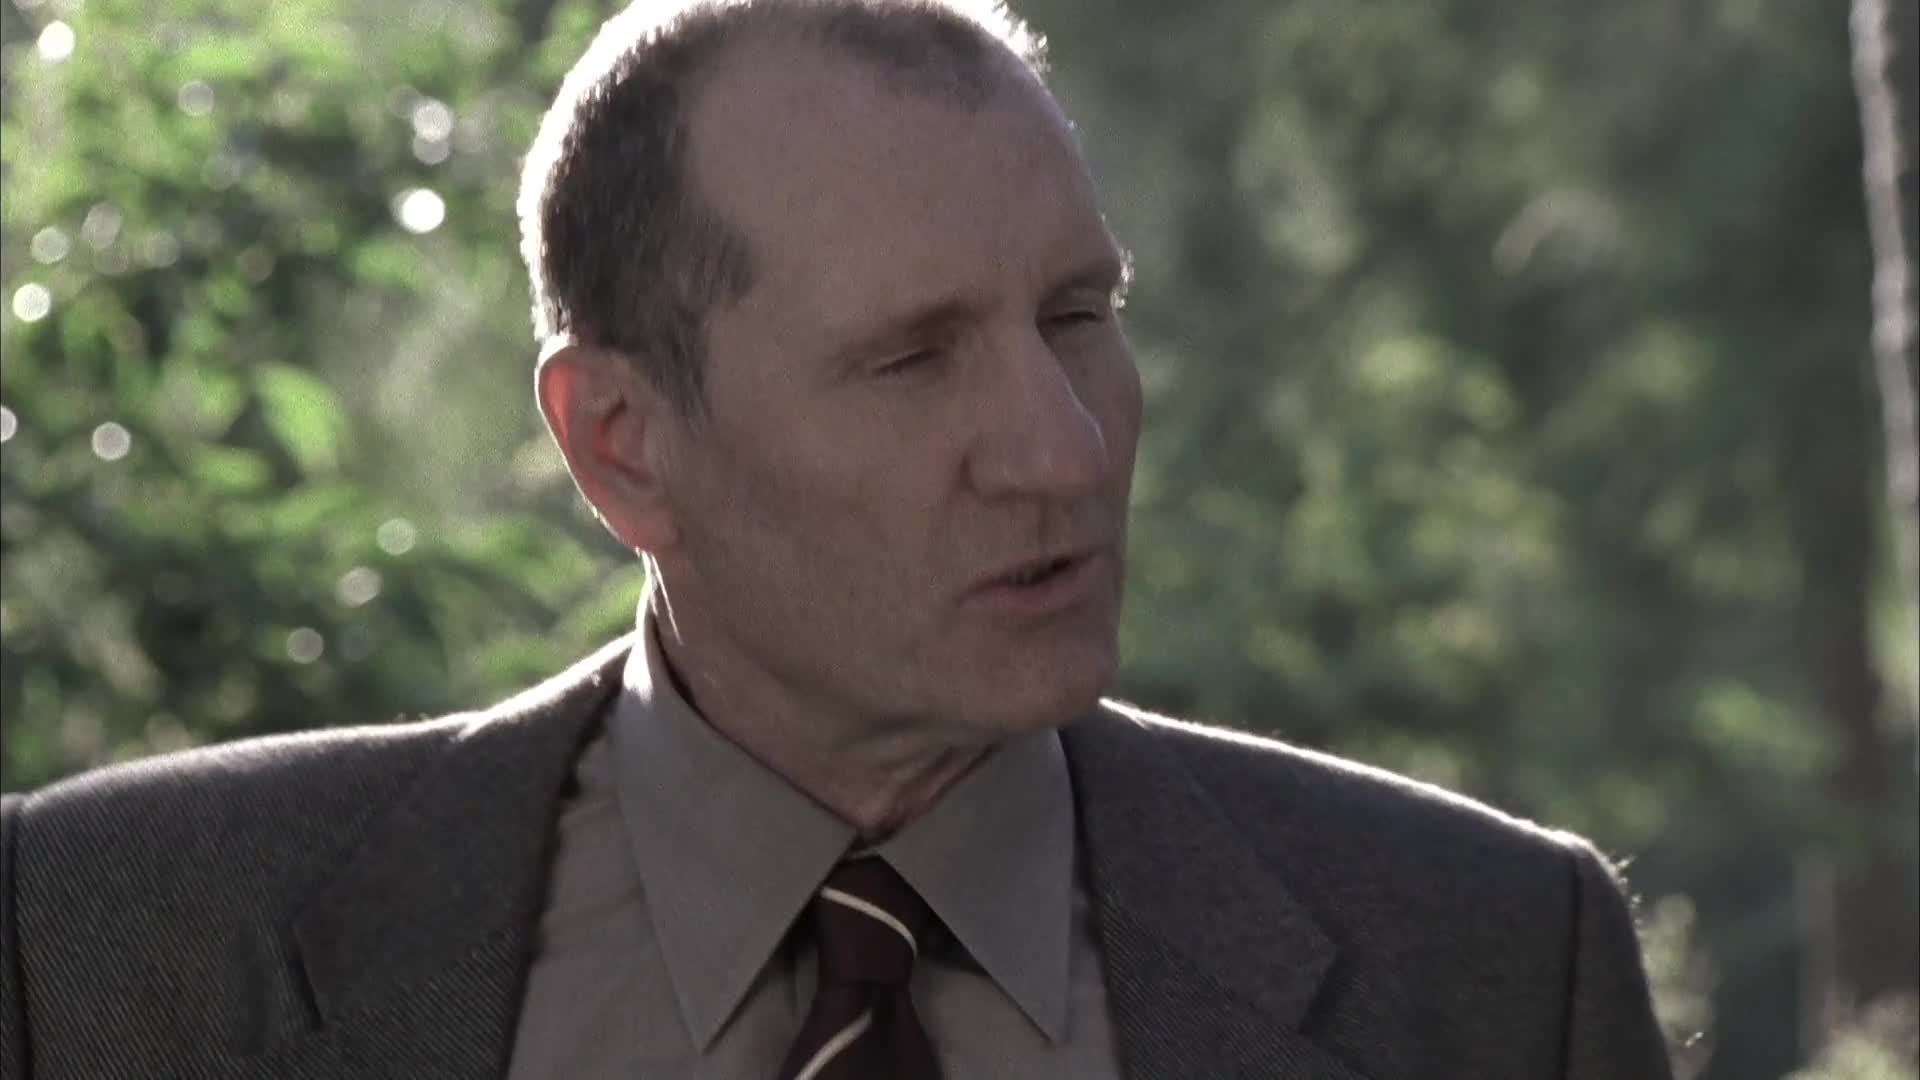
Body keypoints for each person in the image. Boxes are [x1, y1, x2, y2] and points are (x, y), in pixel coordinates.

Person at [0, 0, 1675, 1077]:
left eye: (1078, 316)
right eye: (911, 358)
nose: (1064, 445)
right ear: (621, 445)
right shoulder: (115, 946)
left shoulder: (1487, 967)